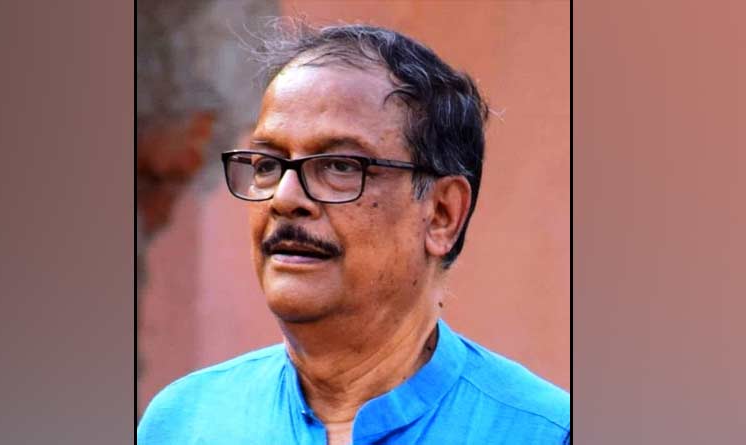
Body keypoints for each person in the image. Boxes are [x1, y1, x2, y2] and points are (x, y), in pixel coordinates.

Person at [137, 22, 570, 445]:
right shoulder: (185, 423)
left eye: (340, 166)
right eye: (267, 165)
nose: (284, 198)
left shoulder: (544, 432)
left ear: (441, 214)